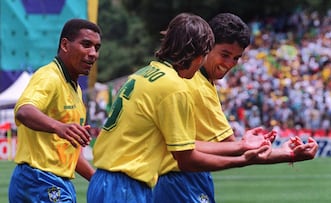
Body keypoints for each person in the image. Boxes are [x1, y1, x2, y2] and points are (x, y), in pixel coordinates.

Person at [87, 12, 272, 203]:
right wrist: (242, 158)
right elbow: (186, 158)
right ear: (197, 53)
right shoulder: (174, 87)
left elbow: (187, 145)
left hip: (109, 180)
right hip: (125, 186)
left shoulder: (144, 73)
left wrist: (241, 145)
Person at [153, 13, 319, 203]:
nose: (229, 64)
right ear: (207, 46)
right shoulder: (198, 86)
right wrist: (287, 154)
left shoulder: (197, 80)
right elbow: (233, 148)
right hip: (179, 182)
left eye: (236, 58)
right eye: (225, 54)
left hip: (179, 179)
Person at [8, 18, 102, 203]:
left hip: (54, 182)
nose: (93, 53)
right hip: (39, 180)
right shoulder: (49, 76)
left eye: (97, 48)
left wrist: (98, 180)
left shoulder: (75, 89)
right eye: (86, 45)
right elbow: (24, 111)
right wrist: (59, 127)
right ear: (65, 45)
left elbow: (69, 154)